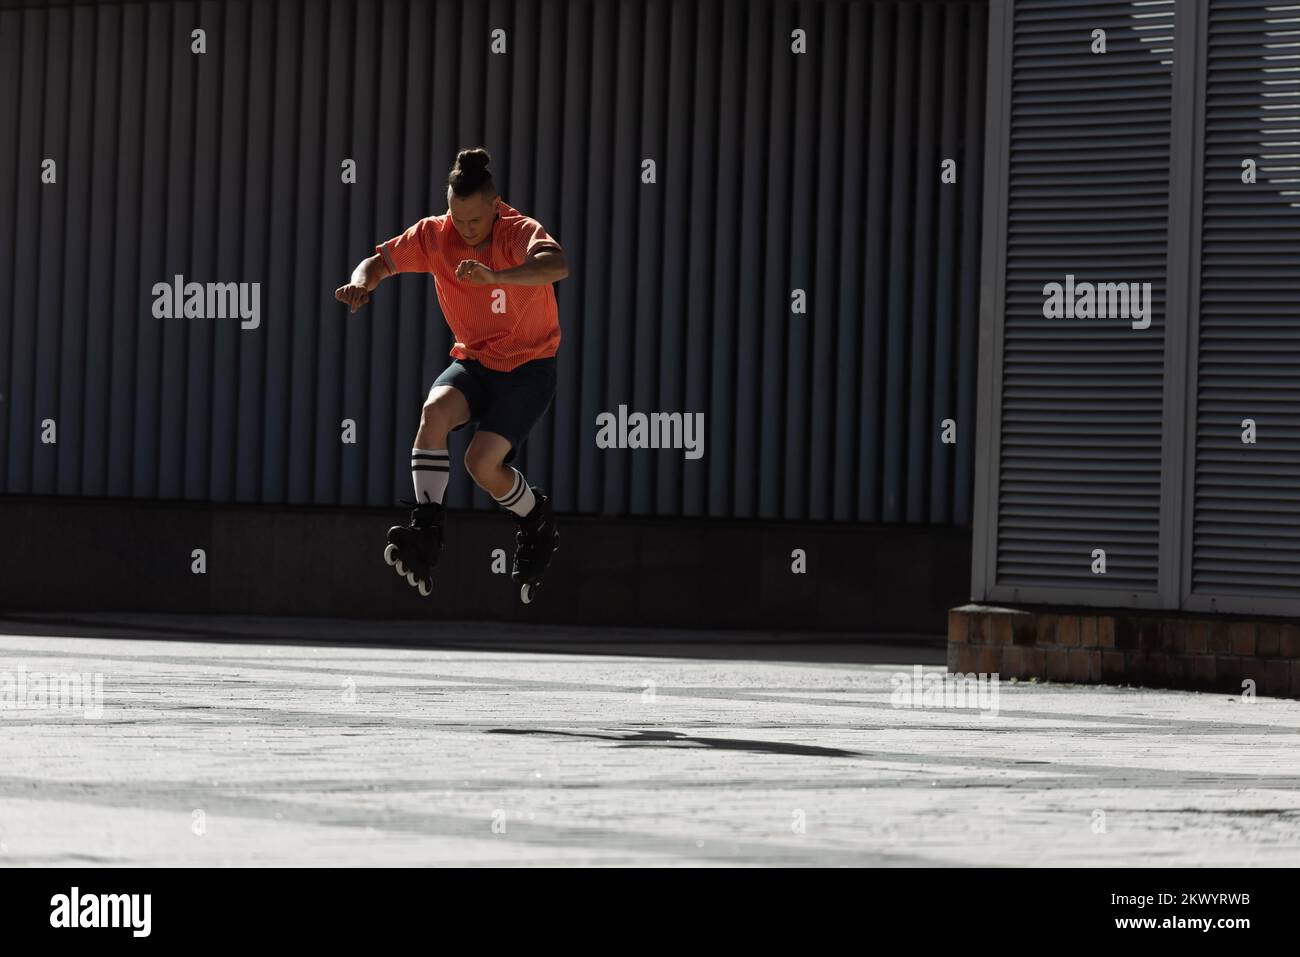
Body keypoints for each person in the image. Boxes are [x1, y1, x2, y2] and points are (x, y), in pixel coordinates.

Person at [334, 147, 569, 601]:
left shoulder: (517, 231)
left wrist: (498, 277)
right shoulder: (435, 236)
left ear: (495, 207)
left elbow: (557, 264)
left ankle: (535, 517)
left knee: (481, 464)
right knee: (434, 410)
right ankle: (428, 531)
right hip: (476, 361)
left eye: (475, 223)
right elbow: (378, 261)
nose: (465, 232)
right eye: (457, 220)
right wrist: (362, 283)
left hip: (528, 366)